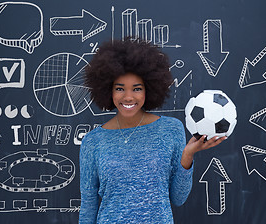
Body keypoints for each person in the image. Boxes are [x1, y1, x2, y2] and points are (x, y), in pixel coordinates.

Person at [79, 39, 226, 223]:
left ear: (149, 89)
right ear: (108, 90)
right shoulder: (93, 141)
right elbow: (88, 206)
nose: (128, 97)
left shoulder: (171, 129)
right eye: (119, 89)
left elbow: (178, 199)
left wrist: (187, 156)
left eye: (137, 89)